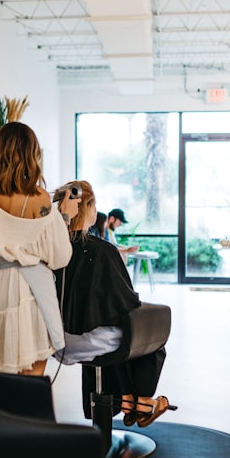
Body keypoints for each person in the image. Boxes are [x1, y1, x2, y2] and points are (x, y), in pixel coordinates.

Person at [54, 180, 173, 428]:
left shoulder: (52, 249)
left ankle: (128, 400)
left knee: (108, 330)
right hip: (91, 340)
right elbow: (126, 300)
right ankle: (141, 402)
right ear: (87, 208)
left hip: (59, 341)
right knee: (140, 335)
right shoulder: (103, 250)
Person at [0, 122, 80, 376]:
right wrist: (64, 218)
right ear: (32, 155)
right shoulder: (39, 198)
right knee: (31, 377)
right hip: (28, 292)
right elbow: (60, 256)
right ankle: (28, 416)